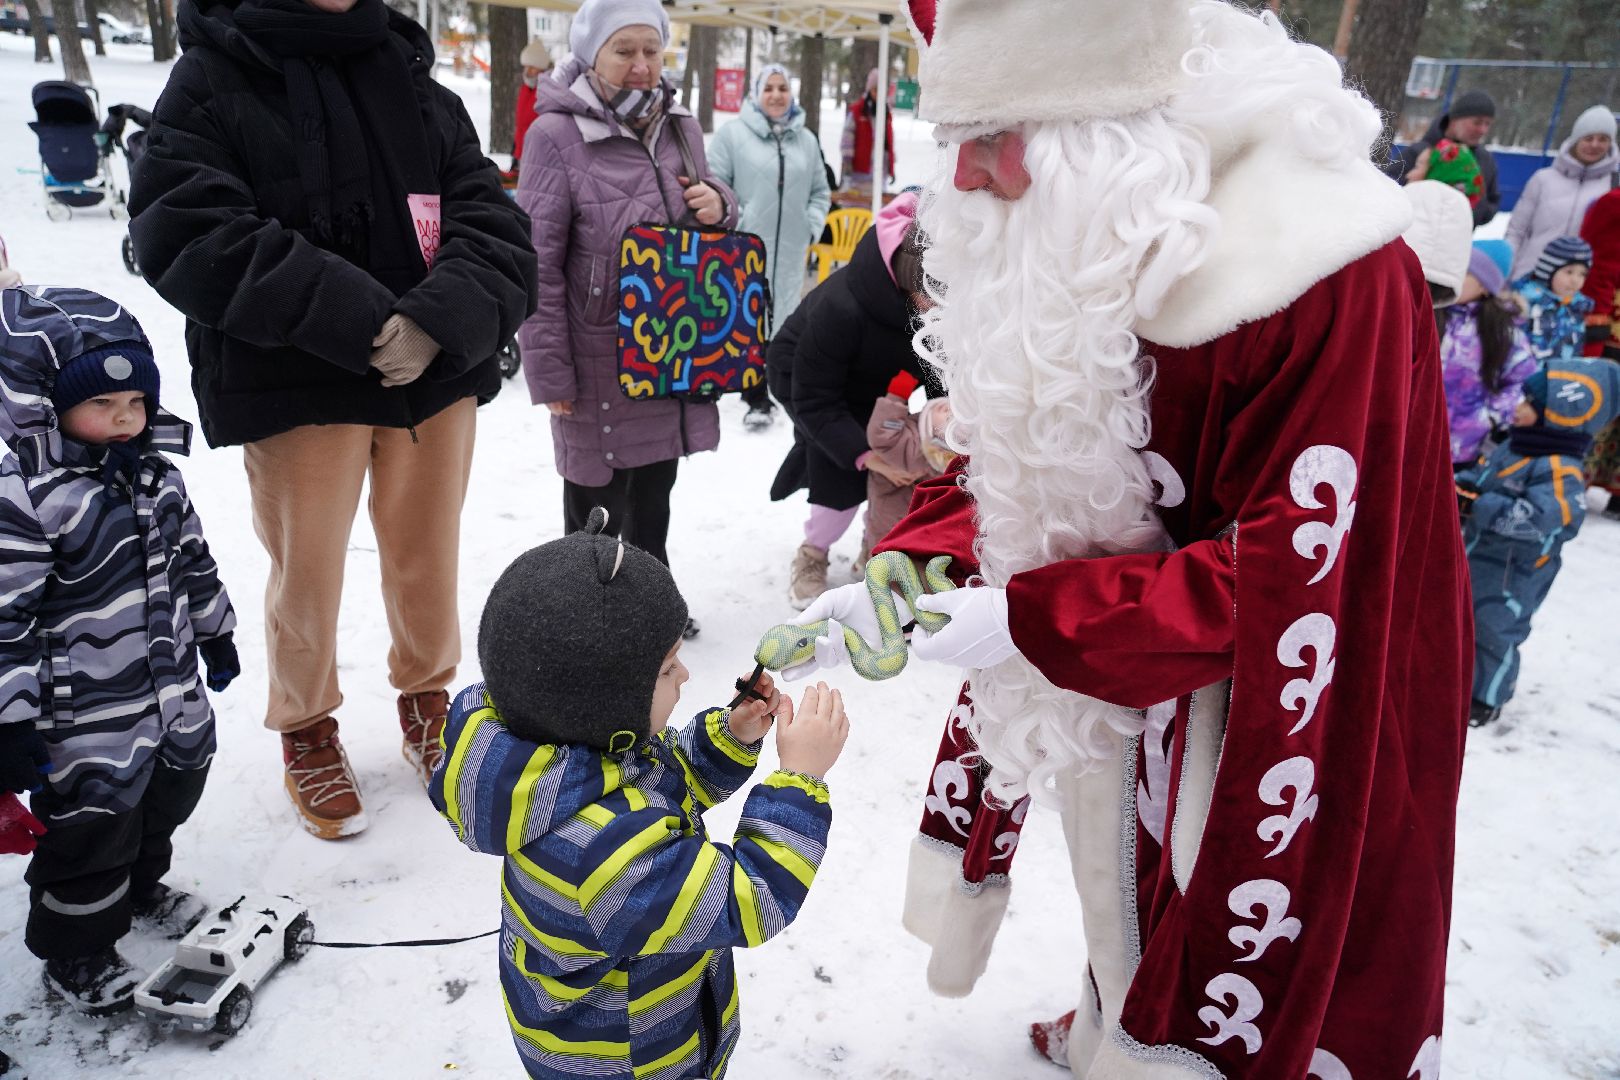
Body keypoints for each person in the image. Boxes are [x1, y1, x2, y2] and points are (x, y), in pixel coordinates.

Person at [793, 1, 1470, 1074]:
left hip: (1284, 712)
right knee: (1122, 875)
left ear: (1107, 128)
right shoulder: (1098, 206)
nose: (960, 182)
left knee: (1226, 918)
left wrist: (1030, 620)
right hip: (1124, 668)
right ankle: (1117, 1020)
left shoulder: (1328, 269)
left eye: (989, 139)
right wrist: (913, 566)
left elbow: (1303, 575)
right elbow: (1044, 438)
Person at [128, 0, 536, 840]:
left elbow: (492, 221)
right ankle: (306, 725)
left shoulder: (417, 81)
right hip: (294, 381)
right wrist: (353, 318)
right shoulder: (212, 77)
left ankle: (429, 699)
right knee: (304, 568)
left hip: (431, 376)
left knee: (427, 552)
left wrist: (440, 319)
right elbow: (185, 226)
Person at [429, 511, 846, 1080]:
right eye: (668, 668)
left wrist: (730, 735)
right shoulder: (597, 851)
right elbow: (751, 900)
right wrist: (800, 780)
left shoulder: (566, 759)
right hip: (626, 1060)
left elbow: (659, 777)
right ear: (608, 707)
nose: (686, 676)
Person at [0, 287, 238, 1016]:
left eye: (137, 400)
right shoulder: (29, 500)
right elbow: (5, 618)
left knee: (172, 789)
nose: (127, 418)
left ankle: (139, 884)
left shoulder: (155, 475)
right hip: (82, 716)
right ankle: (77, 947)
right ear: (44, 404)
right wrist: (10, 720)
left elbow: (193, 559)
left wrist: (216, 629)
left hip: (169, 692)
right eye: (104, 404)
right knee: (93, 828)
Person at [517, 0, 735, 640]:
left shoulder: (679, 125)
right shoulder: (553, 136)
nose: (641, 66)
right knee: (599, 501)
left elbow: (708, 223)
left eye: (651, 50)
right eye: (624, 50)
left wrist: (719, 205)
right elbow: (535, 263)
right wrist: (550, 371)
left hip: (668, 346)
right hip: (595, 359)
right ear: (591, 53)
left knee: (656, 492)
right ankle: (592, 623)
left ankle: (652, 607)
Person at [767, 194, 940, 608]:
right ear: (906, 281)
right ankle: (812, 554)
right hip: (808, 382)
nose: (939, 307)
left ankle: (874, 545)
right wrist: (867, 455)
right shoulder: (841, 308)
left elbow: (939, 372)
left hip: (881, 391)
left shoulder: (931, 307)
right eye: (931, 295)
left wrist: (942, 427)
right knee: (839, 477)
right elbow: (815, 400)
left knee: (906, 470)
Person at [1458, 357, 1620, 727]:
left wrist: (1481, 506)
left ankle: (1487, 698)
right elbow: (1484, 477)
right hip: (1480, 557)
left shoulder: (1560, 468)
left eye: (1529, 403)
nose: (1518, 407)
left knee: (1496, 630)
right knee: (1465, 620)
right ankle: (1458, 683)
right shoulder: (1515, 447)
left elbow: (1550, 519)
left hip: (1516, 575)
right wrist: (1467, 484)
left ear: (1562, 414)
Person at [710, 63, 833, 432]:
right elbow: (715, 187)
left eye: (783, 88)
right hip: (746, 248)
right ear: (756, 94)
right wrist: (739, 222)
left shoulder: (806, 140)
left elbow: (820, 191)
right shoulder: (733, 136)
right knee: (747, 319)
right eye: (769, 88)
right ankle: (754, 394)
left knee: (784, 320)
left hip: (792, 247)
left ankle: (777, 387)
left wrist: (810, 227)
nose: (776, 95)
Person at [1442, 241, 1539, 468]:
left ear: (1485, 286)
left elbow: (1521, 379)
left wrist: (1491, 416)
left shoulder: (1501, 331)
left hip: (1461, 448)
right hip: (1408, 434)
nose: (1456, 279)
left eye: (1466, 273)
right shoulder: (1431, 313)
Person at [1505, 105, 1617, 281]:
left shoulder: (1612, 187)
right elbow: (1516, 231)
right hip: (1528, 280)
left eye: (1603, 139)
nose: (1595, 145)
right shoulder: (1543, 179)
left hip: (1579, 289)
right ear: (1576, 140)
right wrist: (1506, 272)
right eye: (1588, 138)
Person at [861, 371, 951, 562]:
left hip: (892, 513)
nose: (948, 409)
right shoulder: (918, 433)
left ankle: (882, 578)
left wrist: (897, 396)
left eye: (950, 419)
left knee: (886, 550)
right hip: (896, 513)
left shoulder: (916, 448)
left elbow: (882, 434)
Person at [1389, 88, 1502, 226]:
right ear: (1454, 120)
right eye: (1477, 122)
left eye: (1487, 124)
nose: (1482, 130)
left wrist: (1475, 211)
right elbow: (1388, 190)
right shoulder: (1417, 152)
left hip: (1457, 242)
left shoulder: (1485, 160)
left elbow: (1492, 201)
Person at [1580, 188, 1620, 517]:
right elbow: (1599, 266)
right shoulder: (1613, 203)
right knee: (1602, 400)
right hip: (1612, 323)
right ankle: (1573, 479)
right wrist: (1597, 322)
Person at [1512, 235, 1595, 361]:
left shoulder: (1576, 307)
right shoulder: (1524, 302)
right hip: (1528, 375)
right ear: (1547, 271)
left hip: (1562, 377)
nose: (1575, 280)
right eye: (1569, 272)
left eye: (1582, 274)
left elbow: (1576, 347)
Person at [841, 68, 897, 203]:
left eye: (881, 90)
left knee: (877, 208)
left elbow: (888, 142)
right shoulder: (858, 111)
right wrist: (847, 166)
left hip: (880, 172)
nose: (878, 94)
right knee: (859, 206)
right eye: (875, 90)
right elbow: (847, 140)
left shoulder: (886, 112)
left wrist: (891, 165)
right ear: (869, 90)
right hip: (859, 173)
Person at [509, 38, 554, 182]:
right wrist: (516, 152)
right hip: (523, 156)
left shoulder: (550, 90)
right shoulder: (526, 88)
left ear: (542, 68)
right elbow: (521, 125)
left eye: (532, 67)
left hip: (541, 158)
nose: (527, 71)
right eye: (525, 66)